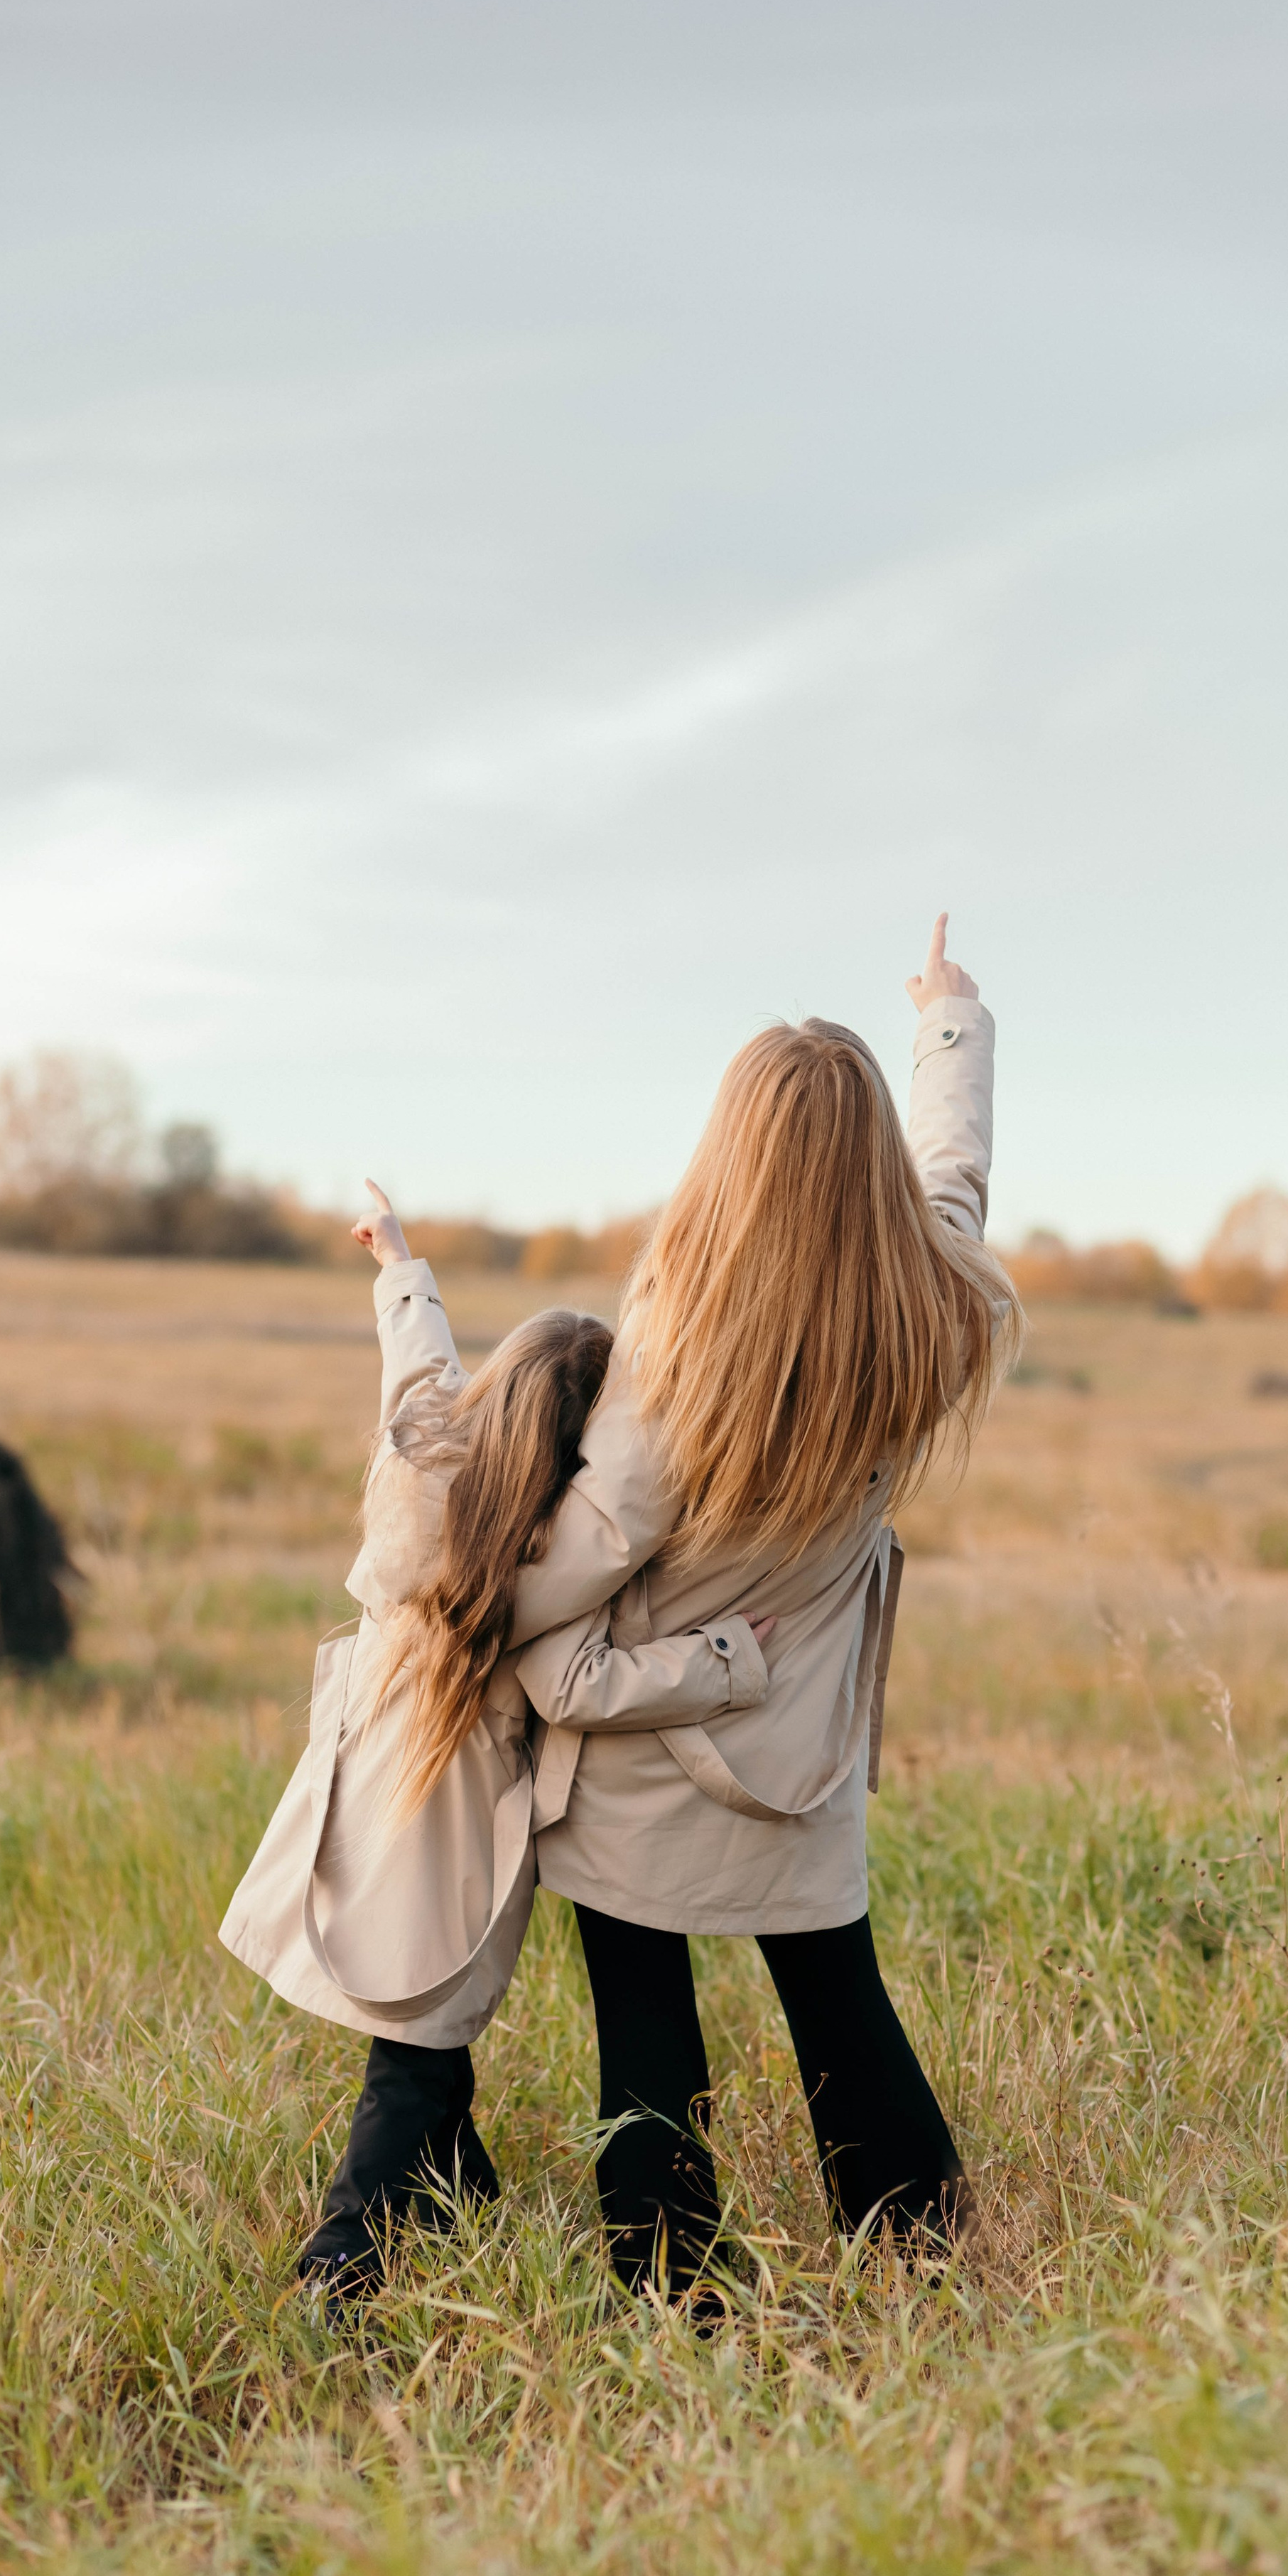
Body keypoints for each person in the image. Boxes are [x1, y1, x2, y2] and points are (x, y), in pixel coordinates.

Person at [497, 912, 1016, 2293]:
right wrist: (947, 1022)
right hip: (801, 1746)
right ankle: (916, 2262)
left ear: (724, 1159)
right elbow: (953, 1179)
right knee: (838, 2002)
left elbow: (580, 1563)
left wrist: (465, 1596)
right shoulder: (929, 1307)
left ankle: (672, 2296)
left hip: (645, 1747)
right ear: (869, 1177)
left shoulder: (673, 1364)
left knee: (644, 2026)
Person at [220, 1214, 777, 2297]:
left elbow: (418, 1371)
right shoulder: (531, 1566)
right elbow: (582, 1686)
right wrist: (722, 1658)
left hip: (365, 1778)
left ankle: (457, 2190)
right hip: (456, 1816)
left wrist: (401, 1274)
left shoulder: (421, 1459)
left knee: (425, 2017)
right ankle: (340, 2265)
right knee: (418, 2046)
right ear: (577, 1449)